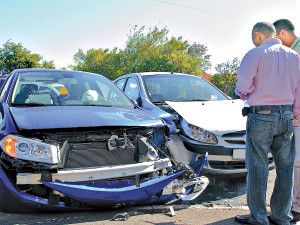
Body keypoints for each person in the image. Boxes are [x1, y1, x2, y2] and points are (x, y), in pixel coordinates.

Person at [234, 22, 300, 224]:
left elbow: (243, 85)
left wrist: (244, 93)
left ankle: (259, 217)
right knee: (285, 168)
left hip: (261, 116)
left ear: (258, 35)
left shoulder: (255, 54)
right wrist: (295, 111)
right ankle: (281, 216)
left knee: (258, 167)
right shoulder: (294, 56)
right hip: (287, 116)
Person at [273, 18, 300, 223]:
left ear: (282, 33)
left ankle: (295, 206)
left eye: (274, 36)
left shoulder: (296, 52)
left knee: (295, 162)